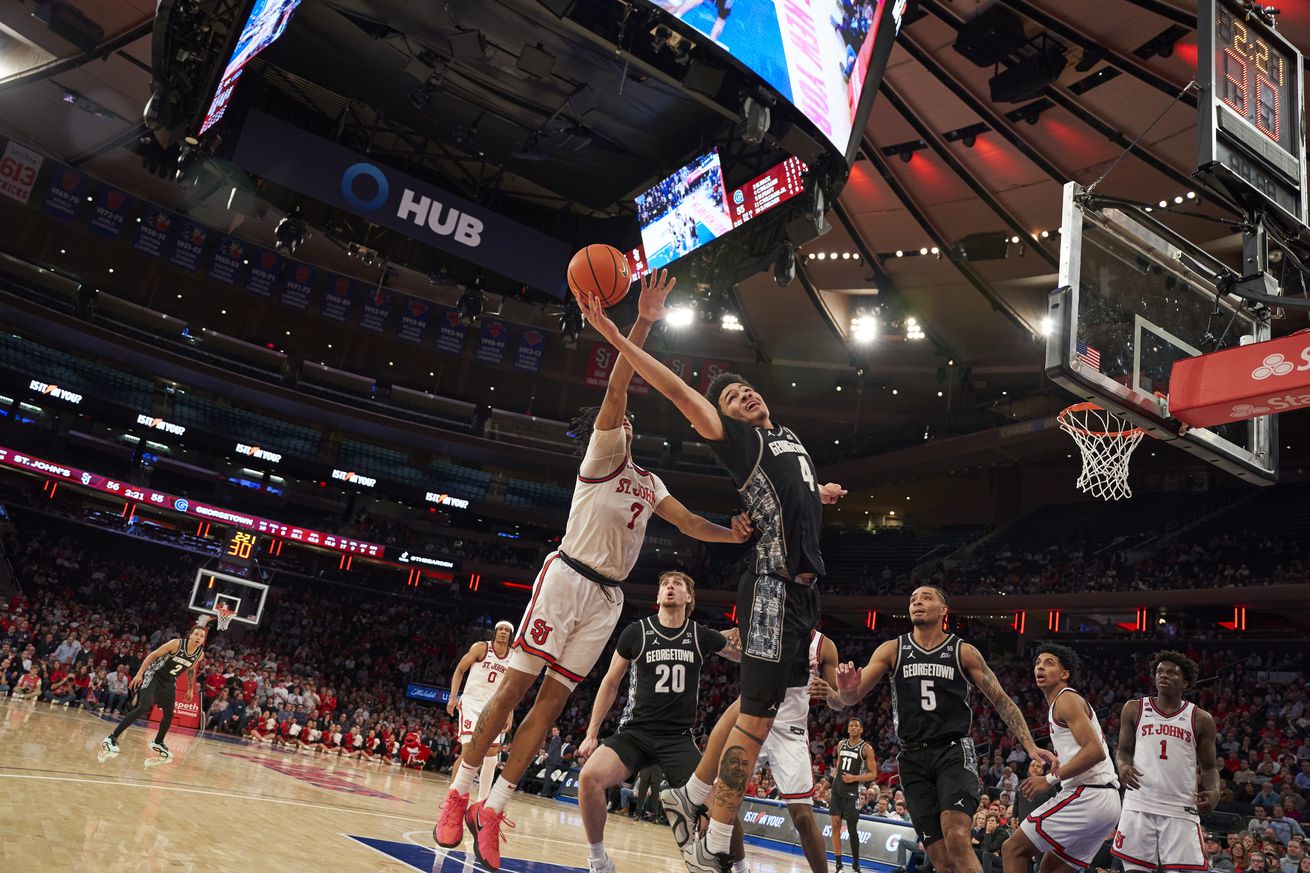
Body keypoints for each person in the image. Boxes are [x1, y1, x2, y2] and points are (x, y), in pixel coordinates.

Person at [434, 270, 751, 872]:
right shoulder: (604, 453)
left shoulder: (649, 481)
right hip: (566, 578)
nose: (627, 420)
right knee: (511, 691)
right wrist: (644, 321)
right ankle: (460, 790)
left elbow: (688, 524)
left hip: (607, 601)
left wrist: (728, 533)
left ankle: (494, 808)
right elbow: (618, 388)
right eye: (622, 416)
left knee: (550, 709)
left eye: (628, 420)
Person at [583, 272, 844, 873]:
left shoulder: (789, 439)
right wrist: (619, 332)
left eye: (748, 390)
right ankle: (714, 842)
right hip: (774, 588)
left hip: (804, 595)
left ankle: (692, 797)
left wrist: (820, 491)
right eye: (731, 399)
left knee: (764, 705)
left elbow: (793, 491)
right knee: (755, 718)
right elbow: (676, 391)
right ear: (723, 419)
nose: (745, 397)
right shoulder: (739, 443)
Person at [813, 586, 1057, 873]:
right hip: (912, 758)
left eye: (926, 598)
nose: (917, 602)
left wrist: (1029, 745)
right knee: (941, 859)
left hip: (952, 751)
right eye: (913, 599)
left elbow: (1001, 700)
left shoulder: (962, 651)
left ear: (943, 610)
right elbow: (849, 699)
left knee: (955, 834)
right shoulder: (893, 649)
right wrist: (839, 691)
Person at [575, 571, 739, 873]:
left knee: (722, 807)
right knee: (588, 778)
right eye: (664, 584)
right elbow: (611, 682)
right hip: (635, 733)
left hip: (677, 738)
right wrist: (592, 733)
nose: (670, 587)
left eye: (677, 584)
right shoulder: (636, 632)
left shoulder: (699, 634)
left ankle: (738, 868)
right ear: (658, 596)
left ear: (689, 597)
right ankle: (598, 860)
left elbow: (736, 652)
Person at [1001, 644, 1121, 873]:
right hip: (1107, 802)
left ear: (1064, 674)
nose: (1040, 667)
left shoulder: (1065, 699)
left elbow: (1095, 752)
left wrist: (1049, 779)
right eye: (1038, 662)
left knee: (1012, 849)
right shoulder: (1063, 703)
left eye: (1049, 663)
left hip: (1088, 795)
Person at [1112, 651, 1221, 873]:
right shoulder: (1134, 708)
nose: (1164, 676)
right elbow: (1122, 752)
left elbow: (1209, 767)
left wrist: (1215, 791)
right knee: (1134, 870)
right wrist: (1122, 766)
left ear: (1186, 682)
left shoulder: (1201, 719)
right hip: (1140, 802)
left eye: (1172, 673)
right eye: (1160, 671)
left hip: (1180, 806)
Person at [101, 618, 210, 759]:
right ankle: (111, 738)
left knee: (169, 714)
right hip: (154, 675)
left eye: (201, 636)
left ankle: (158, 742)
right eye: (196, 634)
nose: (198, 638)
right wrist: (140, 674)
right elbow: (152, 655)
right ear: (190, 635)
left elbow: (190, 670)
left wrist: (190, 688)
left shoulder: (199, 654)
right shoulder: (176, 644)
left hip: (169, 681)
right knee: (144, 707)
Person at [446, 621, 516, 802]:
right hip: (471, 703)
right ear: (495, 632)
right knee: (469, 750)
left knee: (492, 757)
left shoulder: (514, 657)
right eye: (500, 629)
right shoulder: (481, 648)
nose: (503, 632)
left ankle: (482, 803)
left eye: (507, 630)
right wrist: (453, 697)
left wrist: (510, 712)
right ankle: (454, 797)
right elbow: (460, 669)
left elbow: (513, 687)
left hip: (495, 708)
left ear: (510, 635)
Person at [830, 717, 878, 873]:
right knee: (835, 825)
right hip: (837, 789)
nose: (853, 727)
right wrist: (834, 778)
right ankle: (838, 864)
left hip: (853, 791)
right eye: (850, 725)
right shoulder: (841, 744)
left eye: (856, 725)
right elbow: (838, 765)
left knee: (851, 830)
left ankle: (856, 865)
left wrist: (854, 778)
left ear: (861, 729)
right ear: (848, 728)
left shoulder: (866, 748)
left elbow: (873, 774)